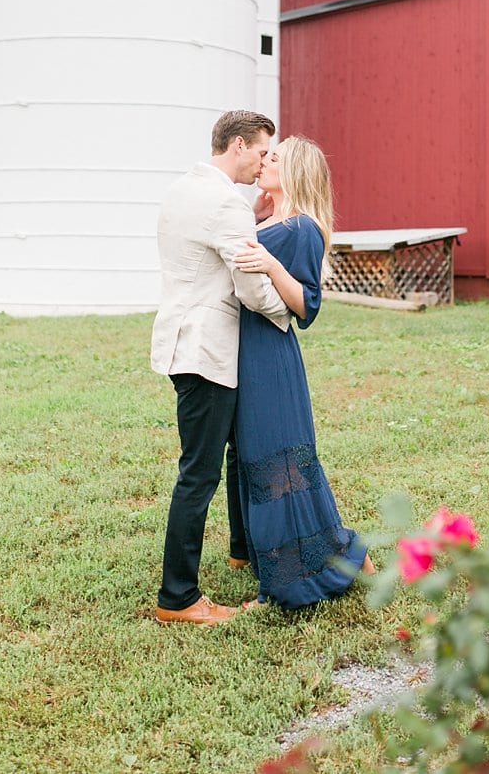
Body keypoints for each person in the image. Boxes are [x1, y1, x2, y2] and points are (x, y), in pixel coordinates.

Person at [151, 110, 293, 626]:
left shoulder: (183, 191)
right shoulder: (225, 206)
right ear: (238, 145)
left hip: (181, 342)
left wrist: (249, 218)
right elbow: (250, 284)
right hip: (207, 351)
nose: (263, 162)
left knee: (234, 455)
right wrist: (288, 312)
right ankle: (179, 597)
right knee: (199, 472)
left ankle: (240, 548)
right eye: (260, 151)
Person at [230, 135, 374, 607]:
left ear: (293, 172)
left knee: (281, 465)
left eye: (272, 158)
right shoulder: (271, 219)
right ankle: (344, 552)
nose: (263, 162)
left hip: (270, 356)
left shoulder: (302, 228)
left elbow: (306, 306)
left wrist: (270, 263)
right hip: (247, 351)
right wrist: (254, 217)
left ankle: (291, 580)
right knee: (270, 464)